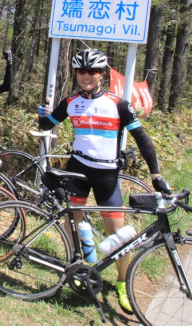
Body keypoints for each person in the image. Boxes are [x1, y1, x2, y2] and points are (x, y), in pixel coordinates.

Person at [38, 48, 172, 314]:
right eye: (81, 71)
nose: (86, 76)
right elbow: (47, 125)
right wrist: (43, 114)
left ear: (102, 74)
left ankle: (123, 283)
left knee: (119, 235)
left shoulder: (118, 103)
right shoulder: (70, 101)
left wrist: (156, 174)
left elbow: (143, 140)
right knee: (71, 222)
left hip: (106, 174)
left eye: (92, 71)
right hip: (77, 170)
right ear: (76, 73)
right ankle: (78, 264)